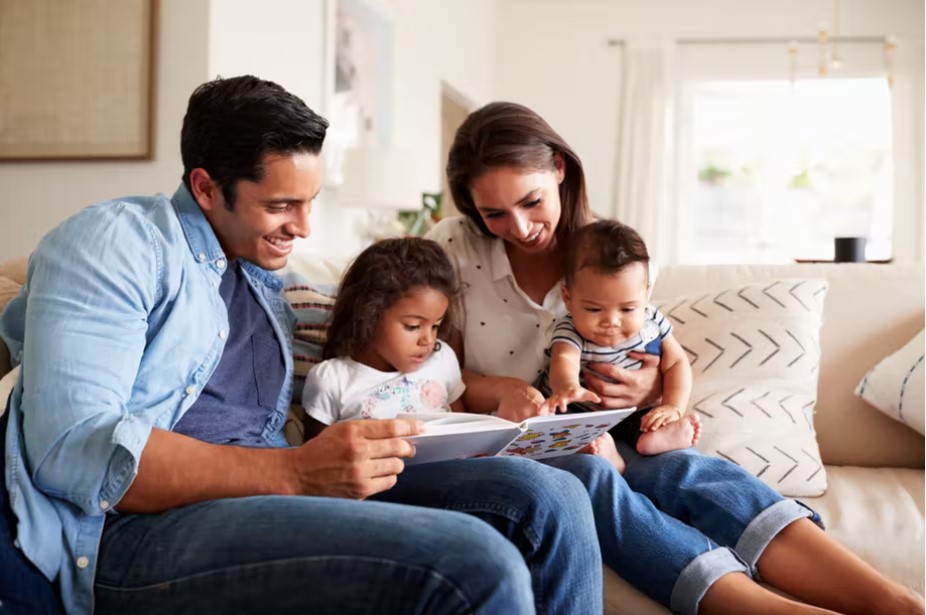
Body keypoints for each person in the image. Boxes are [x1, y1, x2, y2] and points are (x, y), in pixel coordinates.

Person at [0, 77, 605, 615]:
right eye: (281, 205)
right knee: (474, 561)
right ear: (206, 188)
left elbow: (378, 317)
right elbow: (74, 449)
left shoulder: (267, 279)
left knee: (549, 493)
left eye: (310, 201)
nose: (305, 227)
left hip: (273, 491)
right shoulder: (117, 243)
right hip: (138, 530)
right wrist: (293, 471)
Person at [426, 100, 925, 615]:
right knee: (590, 477)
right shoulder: (454, 249)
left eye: (531, 202)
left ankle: (893, 602)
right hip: (513, 440)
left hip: (607, 423)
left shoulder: (613, 256)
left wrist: (648, 391)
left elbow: (654, 354)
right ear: (471, 209)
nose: (521, 226)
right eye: (494, 214)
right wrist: (498, 390)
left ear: (559, 169)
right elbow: (433, 368)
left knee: (685, 469)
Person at [539, 219, 701, 473]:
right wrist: (568, 387)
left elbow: (677, 362)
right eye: (593, 309)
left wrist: (672, 406)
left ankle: (656, 439)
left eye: (627, 308)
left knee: (648, 421)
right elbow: (564, 360)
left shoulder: (652, 320)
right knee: (556, 424)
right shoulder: (570, 329)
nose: (611, 322)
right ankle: (603, 453)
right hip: (581, 409)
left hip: (630, 411)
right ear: (568, 298)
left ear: (646, 294)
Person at [301, 237, 464, 438]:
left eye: (435, 326)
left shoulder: (443, 359)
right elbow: (316, 456)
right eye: (412, 326)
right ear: (369, 315)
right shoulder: (332, 380)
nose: (428, 340)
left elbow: (465, 427)